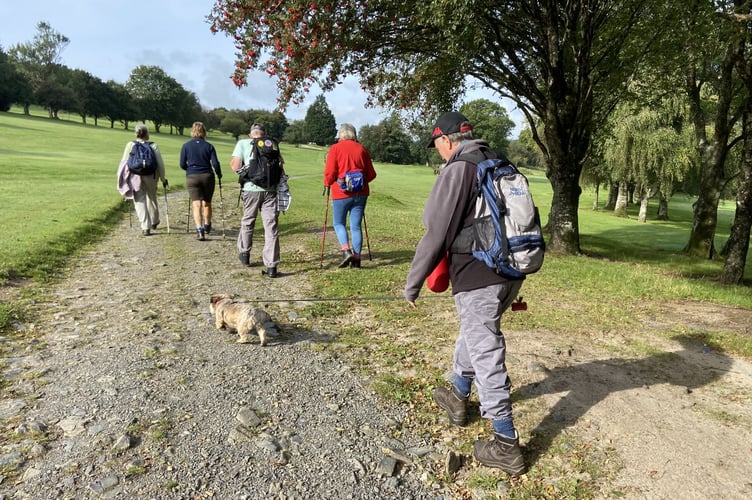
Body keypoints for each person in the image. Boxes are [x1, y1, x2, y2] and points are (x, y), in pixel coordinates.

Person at [404, 111, 526, 476]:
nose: (439, 152)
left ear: (446, 140)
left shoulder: (459, 168)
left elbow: (435, 232)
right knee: (476, 333)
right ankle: (458, 396)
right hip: (511, 271)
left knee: (485, 348)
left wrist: (413, 283)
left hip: (478, 275)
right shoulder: (499, 161)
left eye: (437, 145)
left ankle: (506, 443)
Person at [231, 123, 285, 277]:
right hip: (270, 190)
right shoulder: (272, 144)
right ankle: (272, 266)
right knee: (271, 226)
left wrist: (246, 174)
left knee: (248, 220)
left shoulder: (243, 143)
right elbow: (281, 167)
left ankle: (245, 254)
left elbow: (235, 166)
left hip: (250, 189)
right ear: (264, 134)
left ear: (251, 135)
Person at [323, 123, 377, 268]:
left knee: (339, 223)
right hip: (361, 193)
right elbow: (372, 174)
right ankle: (357, 259)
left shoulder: (335, 148)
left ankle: (346, 251)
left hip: (341, 193)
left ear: (340, 135)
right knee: (355, 226)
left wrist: (327, 183)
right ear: (354, 134)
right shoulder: (362, 149)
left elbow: (330, 172)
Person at [120, 124, 168, 236]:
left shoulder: (130, 145)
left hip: (135, 176)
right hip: (151, 176)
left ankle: (145, 227)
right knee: (152, 197)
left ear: (136, 134)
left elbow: (124, 162)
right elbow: (160, 164)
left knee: (139, 200)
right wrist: (163, 178)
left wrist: (124, 180)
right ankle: (155, 221)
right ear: (146, 134)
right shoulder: (153, 145)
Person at [180, 121, 222, 240]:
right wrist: (219, 174)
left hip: (192, 176)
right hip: (207, 176)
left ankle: (199, 230)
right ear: (204, 131)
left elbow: (182, 164)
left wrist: (189, 169)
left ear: (192, 131)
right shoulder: (209, 146)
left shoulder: (186, 146)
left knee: (196, 204)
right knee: (207, 202)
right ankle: (207, 225)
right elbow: (215, 163)